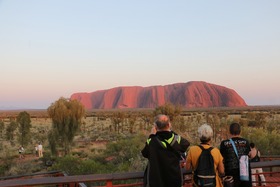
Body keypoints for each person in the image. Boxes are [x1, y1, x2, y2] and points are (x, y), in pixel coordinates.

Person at [141, 114, 190, 187]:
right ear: (169, 125)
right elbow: (186, 144)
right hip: (174, 180)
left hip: (157, 181)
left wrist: (151, 135)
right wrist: (170, 131)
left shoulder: (152, 140)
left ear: (156, 127)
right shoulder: (176, 139)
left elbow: (144, 153)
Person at [220, 122, 252, 187]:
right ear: (240, 132)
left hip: (230, 175)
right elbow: (249, 155)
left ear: (229, 131)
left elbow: (221, 158)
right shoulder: (246, 142)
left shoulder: (224, 143)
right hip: (244, 174)